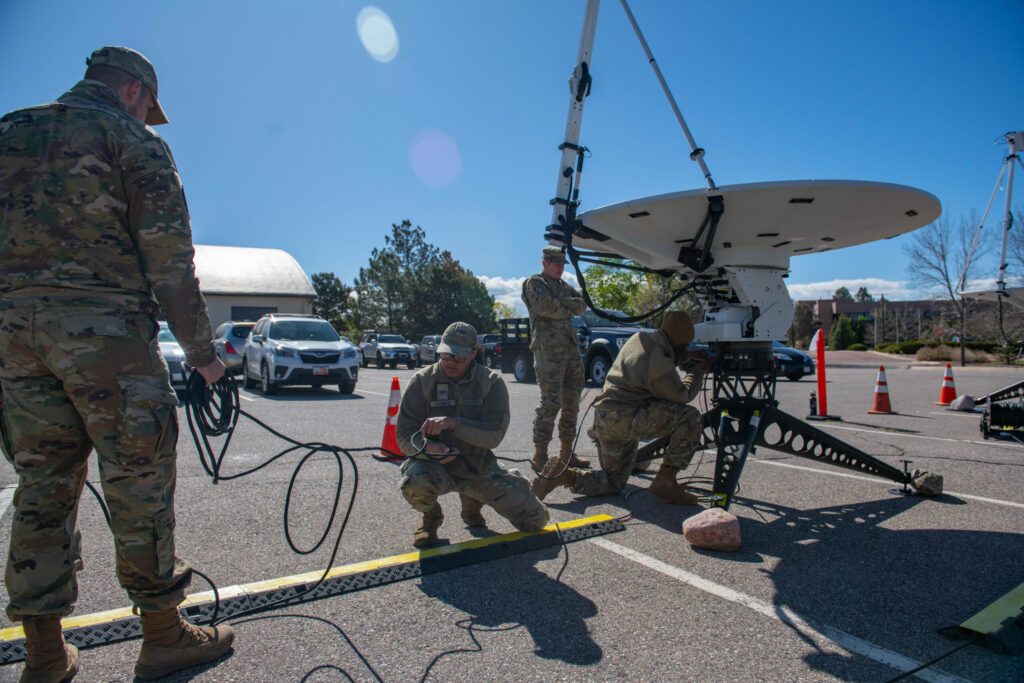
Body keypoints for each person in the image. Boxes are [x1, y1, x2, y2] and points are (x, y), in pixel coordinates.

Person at [0, 46, 233, 681]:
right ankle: (163, 636)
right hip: (107, 337)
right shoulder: (131, 141)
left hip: (15, 339)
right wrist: (205, 359)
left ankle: (44, 656)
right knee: (138, 485)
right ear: (135, 92)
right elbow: (169, 263)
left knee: (42, 489)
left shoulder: (8, 132)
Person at [532, 311, 712, 504]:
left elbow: (662, 356)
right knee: (689, 417)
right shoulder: (659, 362)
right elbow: (682, 396)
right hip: (627, 419)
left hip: (605, 419)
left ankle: (564, 475)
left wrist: (686, 356)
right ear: (678, 344)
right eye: (683, 346)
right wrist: (697, 371)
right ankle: (665, 481)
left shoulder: (640, 338)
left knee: (612, 482)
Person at [396, 322, 549, 548]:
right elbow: (404, 435)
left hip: (478, 468)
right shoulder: (422, 381)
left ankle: (473, 500)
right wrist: (430, 449)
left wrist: (453, 423)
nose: (450, 362)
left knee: (537, 521)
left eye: (458, 358)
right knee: (415, 483)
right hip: (434, 468)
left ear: (474, 353)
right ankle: (431, 518)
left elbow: (494, 436)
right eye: (445, 355)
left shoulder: (491, 383)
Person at [522, 245, 591, 476]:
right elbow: (545, 308)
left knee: (572, 403)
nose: (560, 268)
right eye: (556, 264)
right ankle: (540, 454)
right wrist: (566, 306)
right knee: (551, 402)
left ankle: (566, 454)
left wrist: (563, 301)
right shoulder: (535, 283)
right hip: (548, 352)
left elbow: (582, 306)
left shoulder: (562, 286)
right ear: (545, 263)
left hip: (570, 351)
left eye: (562, 264)